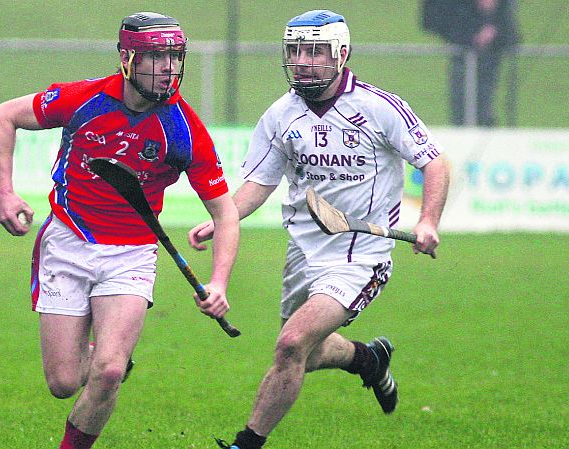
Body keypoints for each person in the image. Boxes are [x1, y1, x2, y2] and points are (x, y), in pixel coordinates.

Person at [188, 10, 450, 449]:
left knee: (291, 344)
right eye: (296, 50)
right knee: (302, 355)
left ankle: (246, 443)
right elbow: (259, 184)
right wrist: (222, 218)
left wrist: (428, 220)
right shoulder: (281, 115)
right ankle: (366, 358)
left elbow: (434, 162)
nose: (303, 60)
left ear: (341, 54)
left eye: (314, 51)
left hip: (361, 254)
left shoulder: (377, 107)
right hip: (303, 252)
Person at [0, 11, 240, 449]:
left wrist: (219, 281)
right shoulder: (84, 99)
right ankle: (112, 357)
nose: (167, 69)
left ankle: (109, 367)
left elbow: (226, 214)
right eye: (155, 58)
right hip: (67, 240)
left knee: (105, 373)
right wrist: (5, 193)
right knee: (64, 381)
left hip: (132, 252)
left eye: (174, 57)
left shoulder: (184, 129)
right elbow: (2, 117)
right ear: (127, 59)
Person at [422, 0, 520, 126]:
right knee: (461, 101)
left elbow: (510, 32)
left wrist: (494, 32)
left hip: (490, 58)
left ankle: (483, 126)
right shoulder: (458, 7)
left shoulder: (503, 7)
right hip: (463, 53)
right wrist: (472, 36)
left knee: (484, 101)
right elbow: (434, 19)